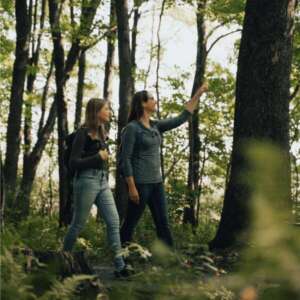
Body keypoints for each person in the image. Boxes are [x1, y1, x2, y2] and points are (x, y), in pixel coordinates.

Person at [120, 83, 208, 247]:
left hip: (156, 183)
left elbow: (182, 117)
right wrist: (131, 186)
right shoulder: (132, 129)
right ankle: (121, 257)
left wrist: (198, 93)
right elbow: (125, 159)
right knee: (130, 223)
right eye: (152, 99)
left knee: (163, 222)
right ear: (143, 104)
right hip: (140, 184)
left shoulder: (155, 126)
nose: (155, 101)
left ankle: (169, 258)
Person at [63, 98, 131, 277]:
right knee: (78, 224)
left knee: (114, 222)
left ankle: (120, 266)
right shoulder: (82, 134)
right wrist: (97, 158)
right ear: (96, 112)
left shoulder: (102, 133)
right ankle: (63, 260)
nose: (109, 112)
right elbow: (73, 163)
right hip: (86, 181)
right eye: (106, 109)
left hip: (101, 182)